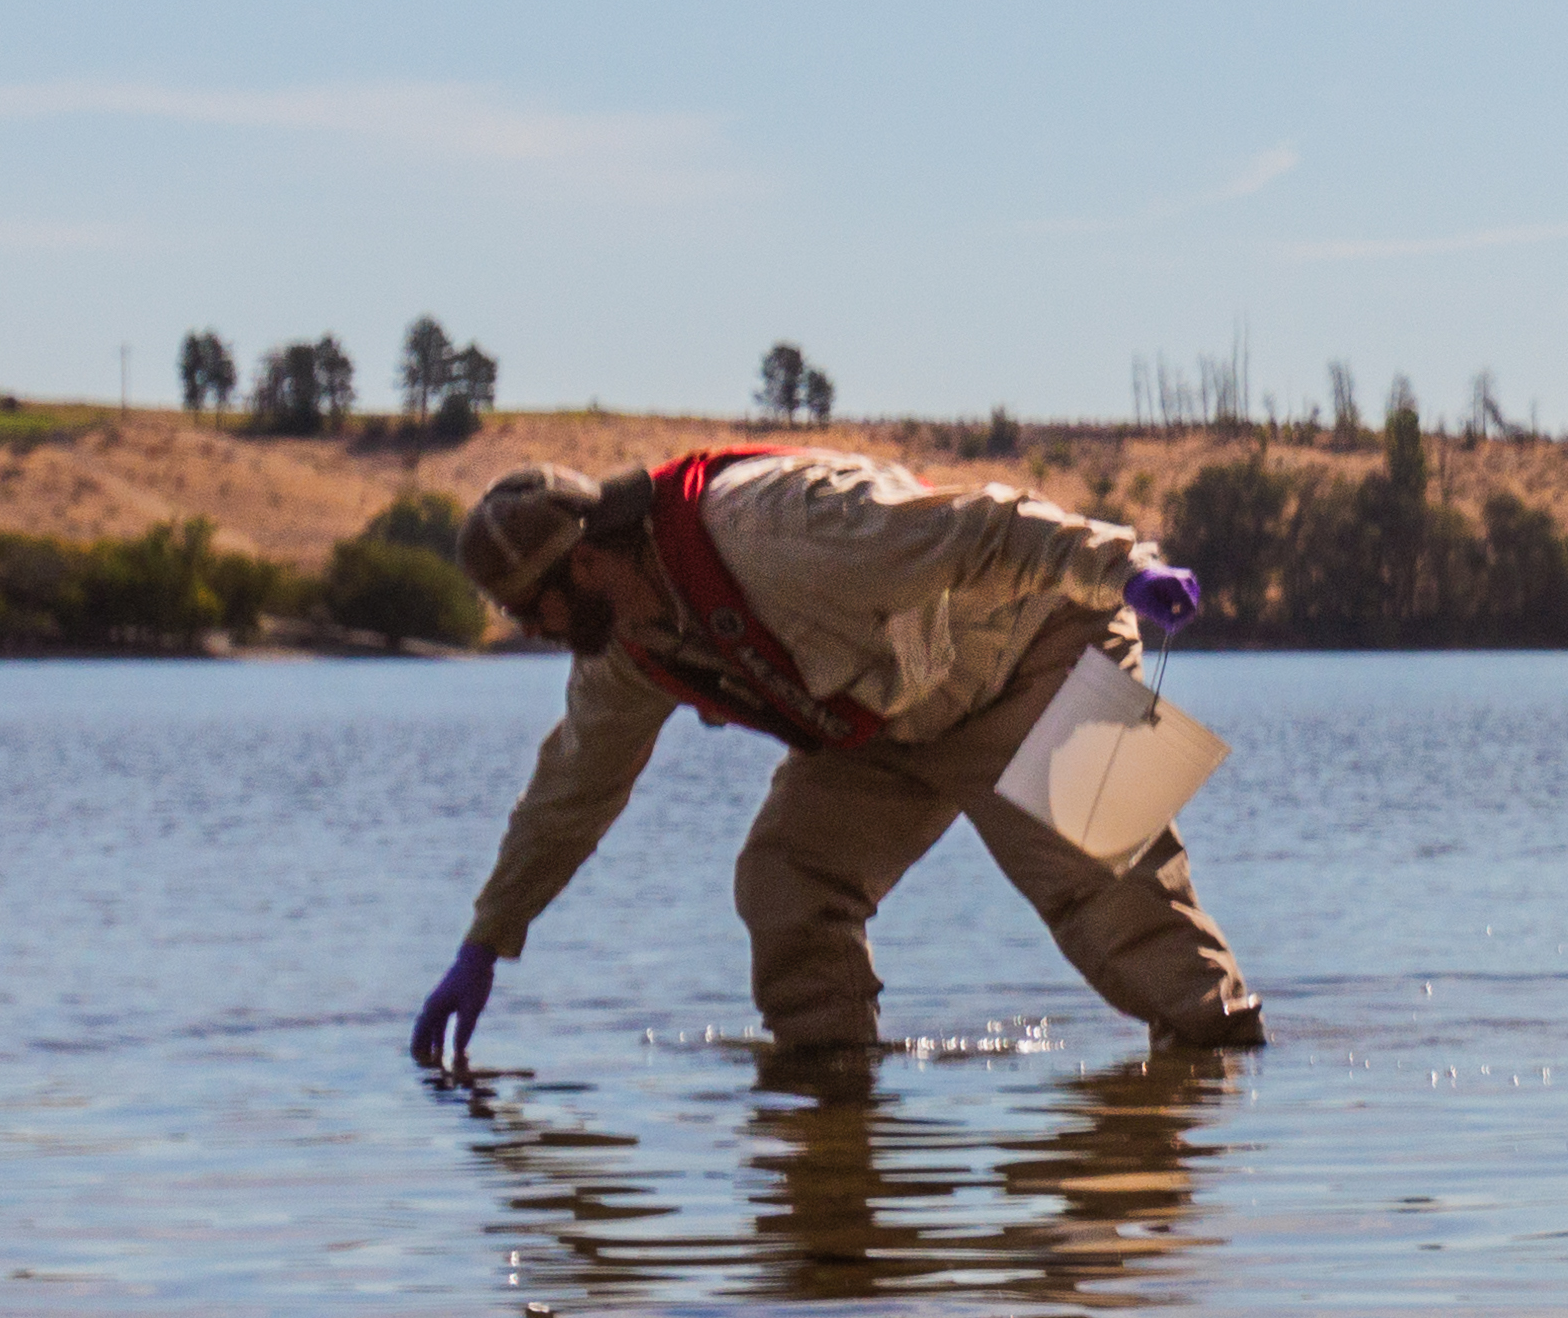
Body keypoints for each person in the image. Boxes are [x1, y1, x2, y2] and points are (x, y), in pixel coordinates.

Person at [409, 445, 1262, 1074]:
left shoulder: (780, 523)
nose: (526, 631)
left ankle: (1231, 1086)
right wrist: (487, 940)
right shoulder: (627, 648)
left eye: (530, 607)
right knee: (786, 879)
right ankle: (836, 1106)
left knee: (1125, 916)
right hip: (895, 723)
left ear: (587, 561)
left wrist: (1125, 569)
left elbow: (985, 527)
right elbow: (571, 792)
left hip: (1043, 643)